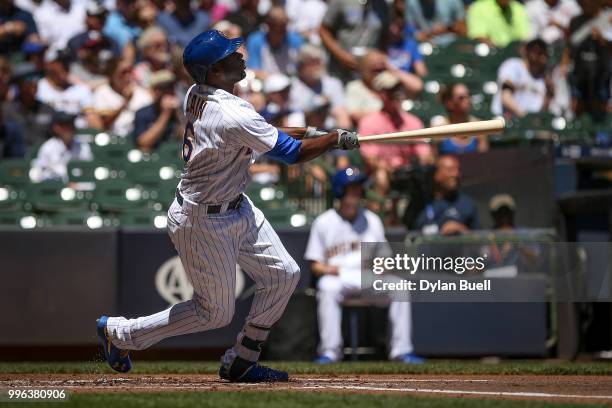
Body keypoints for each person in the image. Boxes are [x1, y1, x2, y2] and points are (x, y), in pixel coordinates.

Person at [96, 29, 360, 382]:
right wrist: (335, 140)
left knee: (284, 275)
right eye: (231, 55)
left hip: (236, 205)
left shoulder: (198, 92)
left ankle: (242, 359)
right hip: (202, 219)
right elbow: (291, 154)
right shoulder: (231, 112)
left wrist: (314, 132)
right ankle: (122, 333)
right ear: (215, 72)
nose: (240, 56)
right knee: (214, 313)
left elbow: (259, 130)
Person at [305, 167, 423, 364]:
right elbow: (315, 264)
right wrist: (330, 269)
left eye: (359, 189)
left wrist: (382, 266)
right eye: (352, 189)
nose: (358, 194)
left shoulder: (372, 220)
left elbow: (386, 258)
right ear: (340, 191)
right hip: (339, 277)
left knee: (400, 287)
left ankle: (401, 351)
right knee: (326, 287)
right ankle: (330, 352)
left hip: (367, 276)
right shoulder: (324, 222)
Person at [359, 71, 433, 198]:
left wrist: (423, 160)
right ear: (381, 94)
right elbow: (371, 159)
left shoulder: (413, 121)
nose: (397, 94)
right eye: (392, 90)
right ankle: (381, 213)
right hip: (383, 176)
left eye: (399, 89)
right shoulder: (369, 122)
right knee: (381, 175)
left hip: (409, 173)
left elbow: (424, 153)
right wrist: (389, 168)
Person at [562, 0, 610, 120]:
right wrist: (564, 64)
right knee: (578, 107)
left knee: (600, 107)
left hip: (602, 74)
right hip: (580, 72)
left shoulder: (608, 18)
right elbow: (570, 46)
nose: (583, 5)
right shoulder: (575, 21)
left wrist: (601, 39)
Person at [319, 0, 389, 82]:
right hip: (340, 69)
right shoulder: (341, 2)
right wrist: (340, 55)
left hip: (367, 72)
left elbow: (384, 36)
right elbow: (324, 30)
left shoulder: (382, 5)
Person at [346, 49, 423, 124]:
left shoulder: (392, 82)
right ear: (363, 68)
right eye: (372, 63)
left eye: (381, 66)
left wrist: (392, 69)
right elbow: (355, 115)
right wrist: (385, 117)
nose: (377, 65)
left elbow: (417, 86)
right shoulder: (355, 86)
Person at [289, 44, 351, 129]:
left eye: (319, 62)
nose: (317, 66)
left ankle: (345, 141)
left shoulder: (333, 83)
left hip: (329, 130)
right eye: (312, 62)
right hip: (302, 130)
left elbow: (340, 110)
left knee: (341, 113)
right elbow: (293, 113)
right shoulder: (291, 86)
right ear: (301, 66)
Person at [414, 155, 480, 235]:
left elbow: (479, 238)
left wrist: (462, 230)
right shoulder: (420, 204)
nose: (456, 174)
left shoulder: (468, 204)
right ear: (436, 174)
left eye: (458, 170)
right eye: (450, 170)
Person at [36, 48, 99, 128]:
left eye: (67, 62)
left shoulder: (81, 89)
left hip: (78, 136)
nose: (66, 66)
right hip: (48, 134)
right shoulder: (39, 87)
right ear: (49, 65)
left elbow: (93, 118)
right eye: (61, 62)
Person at [491, 39, 554, 118]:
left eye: (542, 51)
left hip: (530, 126)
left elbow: (543, 109)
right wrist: (525, 118)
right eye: (535, 50)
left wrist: (549, 94)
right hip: (506, 121)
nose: (538, 55)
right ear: (527, 50)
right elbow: (505, 97)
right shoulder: (513, 65)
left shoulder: (545, 78)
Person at [92, 59, 153, 137]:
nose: (128, 76)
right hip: (113, 140)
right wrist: (125, 103)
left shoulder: (142, 93)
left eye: (130, 71)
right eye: (123, 72)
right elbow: (103, 125)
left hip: (136, 138)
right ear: (112, 75)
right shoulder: (102, 92)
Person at [30, 111, 92, 183]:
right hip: (55, 189)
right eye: (67, 125)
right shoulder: (48, 148)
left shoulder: (83, 146)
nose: (71, 128)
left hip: (80, 187)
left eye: (72, 124)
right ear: (57, 127)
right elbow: (38, 174)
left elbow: (88, 171)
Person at [2, 62, 53, 149]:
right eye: (29, 79)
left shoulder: (48, 110)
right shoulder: (6, 110)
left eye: (37, 78)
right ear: (19, 84)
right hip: (16, 160)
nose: (34, 83)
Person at [246, 6, 304, 78]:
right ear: (269, 25)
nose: (284, 31)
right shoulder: (255, 41)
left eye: (285, 26)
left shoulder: (296, 40)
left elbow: (302, 69)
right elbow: (253, 70)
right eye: (279, 27)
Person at [433, 82, 489, 154]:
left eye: (468, 95)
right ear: (449, 103)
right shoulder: (439, 128)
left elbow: (484, 159)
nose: (467, 100)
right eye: (461, 98)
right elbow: (433, 159)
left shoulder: (479, 127)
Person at [133, 70, 182, 151]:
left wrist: (178, 115)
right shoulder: (143, 113)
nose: (169, 91)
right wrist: (165, 114)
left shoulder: (178, 110)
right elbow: (143, 143)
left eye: (171, 87)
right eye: (165, 88)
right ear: (155, 91)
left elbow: (186, 139)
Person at [467, 0, 531, 47]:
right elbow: (479, 37)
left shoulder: (519, 8)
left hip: (515, 57)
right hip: (490, 58)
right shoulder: (479, 7)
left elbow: (525, 38)